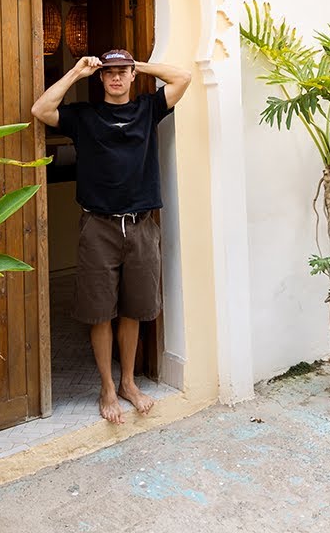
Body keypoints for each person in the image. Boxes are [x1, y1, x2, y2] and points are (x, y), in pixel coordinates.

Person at [30, 49, 192, 424]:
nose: (116, 78)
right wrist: (76, 72)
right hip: (99, 225)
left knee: (134, 309)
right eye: (110, 72)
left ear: (131, 76)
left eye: (123, 72)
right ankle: (107, 386)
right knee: (100, 311)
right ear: (101, 78)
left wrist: (141, 66)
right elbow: (41, 110)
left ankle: (128, 384)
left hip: (141, 224)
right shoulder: (85, 117)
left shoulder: (148, 109)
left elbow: (182, 76)